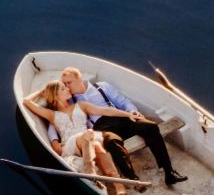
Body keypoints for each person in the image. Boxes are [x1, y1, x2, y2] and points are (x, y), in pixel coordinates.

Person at [52, 66, 188, 186]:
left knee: (151, 127)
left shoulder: (102, 87)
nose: (67, 87)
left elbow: (123, 102)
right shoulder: (70, 100)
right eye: (64, 84)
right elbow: (57, 117)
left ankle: (169, 172)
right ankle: (133, 179)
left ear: (79, 78)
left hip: (120, 118)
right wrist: (54, 140)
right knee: (112, 142)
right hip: (101, 128)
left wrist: (132, 111)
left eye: (69, 82)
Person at [22, 79, 133, 195]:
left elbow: (106, 111)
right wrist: (43, 90)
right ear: (55, 95)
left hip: (88, 141)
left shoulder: (81, 105)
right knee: (89, 135)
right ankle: (92, 170)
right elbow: (26, 101)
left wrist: (128, 114)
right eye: (63, 88)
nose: (68, 89)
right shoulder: (51, 114)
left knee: (95, 143)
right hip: (69, 146)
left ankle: (118, 185)